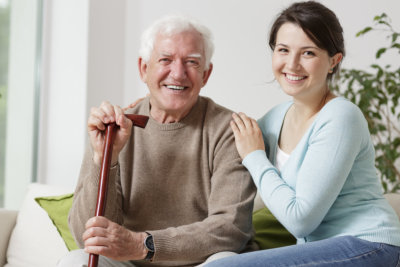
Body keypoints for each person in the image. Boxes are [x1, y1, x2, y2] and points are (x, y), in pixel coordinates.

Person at [205, 1, 400, 266]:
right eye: (283, 50)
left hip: (370, 244)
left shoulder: (342, 116)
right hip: (322, 250)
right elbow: (218, 138)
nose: (292, 64)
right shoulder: (275, 118)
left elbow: (300, 220)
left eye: (308, 53)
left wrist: (255, 156)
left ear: (334, 61)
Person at [58, 15, 257, 267]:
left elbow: (230, 229)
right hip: (130, 264)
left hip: (200, 262)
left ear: (206, 74)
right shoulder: (112, 126)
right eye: (165, 59)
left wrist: (144, 244)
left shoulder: (229, 129)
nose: (178, 73)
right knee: (75, 261)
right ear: (143, 68)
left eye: (192, 62)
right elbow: (87, 236)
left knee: (227, 263)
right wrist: (104, 160)